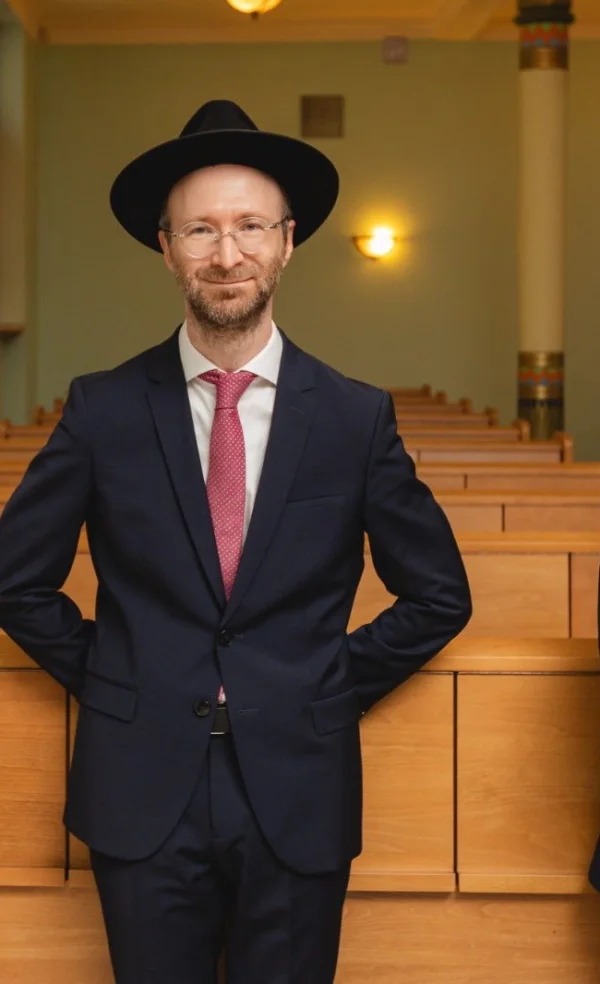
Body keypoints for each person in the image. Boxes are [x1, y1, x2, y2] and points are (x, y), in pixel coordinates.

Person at [0, 99, 472, 984]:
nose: (227, 254)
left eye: (250, 226)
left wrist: (324, 682)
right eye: (201, 231)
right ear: (166, 247)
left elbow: (440, 594)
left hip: (298, 782)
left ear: (288, 242)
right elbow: (13, 581)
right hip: (140, 788)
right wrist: (117, 675)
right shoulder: (101, 408)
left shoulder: (352, 415)